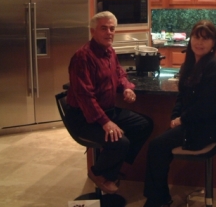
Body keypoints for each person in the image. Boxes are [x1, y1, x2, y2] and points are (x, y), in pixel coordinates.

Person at [143, 20, 216, 207]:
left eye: (205, 39)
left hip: (210, 128)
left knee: (156, 146)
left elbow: (207, 108)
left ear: (213, 43)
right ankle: (159, 196)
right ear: (190, 39)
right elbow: (182, 97)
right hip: (196, 122)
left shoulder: (214, 68)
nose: (199, 43)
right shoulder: (190, 64)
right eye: (196, 37)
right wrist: (175, 117)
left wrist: (182, 119)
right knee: (160, 146)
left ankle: (157, 200)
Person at [66, 11, 153, 194]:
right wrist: (106, 122)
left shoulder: (109, 51)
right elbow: (85, 96)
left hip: (107, 110)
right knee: (120, 142)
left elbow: (119, 74)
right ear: (93, 31)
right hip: (83, 118)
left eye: (112, 28)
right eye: (103, 28)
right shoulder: (83, 57)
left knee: (144, 125)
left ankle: (112, 170)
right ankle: (98, 173)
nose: (109, 32)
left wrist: (126, 87)